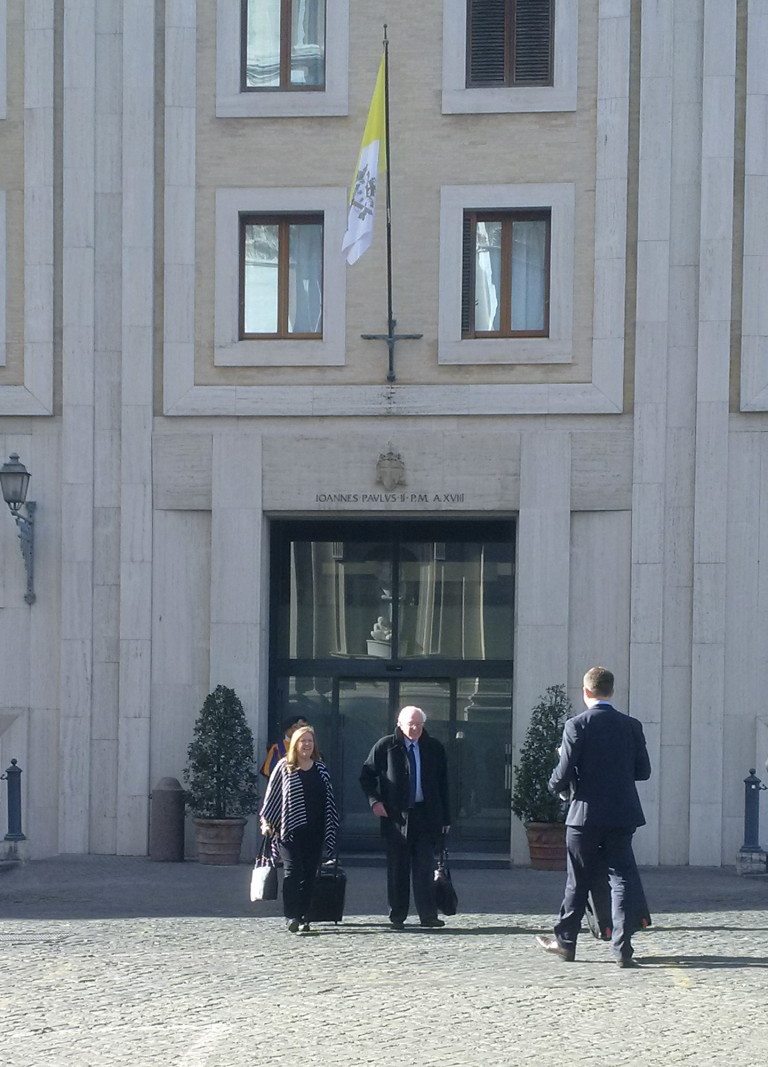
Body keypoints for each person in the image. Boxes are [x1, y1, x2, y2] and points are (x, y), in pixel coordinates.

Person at [536, 666, 651, 968]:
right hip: (621, 815)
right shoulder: (631, 725)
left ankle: (566, 944)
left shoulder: (577, 725)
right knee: (622, 879)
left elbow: (562, 773)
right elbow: (644, 771)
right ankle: (623, 950)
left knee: (578, 879)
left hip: (584, 816)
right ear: (611, 691)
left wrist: (555, 786)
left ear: (586, 691)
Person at [360, 705, 451, 929]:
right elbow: (366, 776)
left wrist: (446, 818)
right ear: (400, 724)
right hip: (396, 817)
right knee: (397, 869)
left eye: (419, 724)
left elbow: (444, 785)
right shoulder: (386, 746)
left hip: (426, 816)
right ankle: (397, 916)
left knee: (424, 868)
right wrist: (375, 801)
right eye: (411, 724)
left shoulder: (434, 747)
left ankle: (428, 915)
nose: (415, 728)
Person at [260, 725, 339, 933]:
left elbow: (329, 800)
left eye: (310, 741)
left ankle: (304, 916)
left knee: (310, 874)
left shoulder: (321, 768)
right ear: (295, 744)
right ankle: (291, 915)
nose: (306, 745)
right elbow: (272, 798)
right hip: (289, 831)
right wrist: (267, 821)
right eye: (303, 741)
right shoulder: (284, 767)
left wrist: (330, 826)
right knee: (292, 872)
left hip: (315, 830)